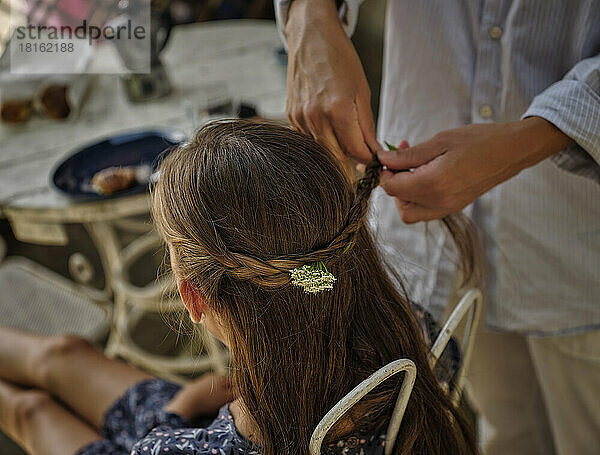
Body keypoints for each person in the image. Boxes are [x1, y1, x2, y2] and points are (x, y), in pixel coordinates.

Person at [0, 120, 478, 455]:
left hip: (200, 431)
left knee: (32, 413)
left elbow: (168, 442)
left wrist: (180, 411)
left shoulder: (172, 448)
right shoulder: (417, 338)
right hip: (244, 426)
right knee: (61, 356)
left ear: (192, 298)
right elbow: (310, 275)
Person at [276, 1, 600, 454]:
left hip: (577, 248)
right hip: (440, 265)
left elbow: (307, 278)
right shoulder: (353, 287)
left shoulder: (331, 286)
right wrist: (310, 15)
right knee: (508, 430)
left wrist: (536, 136)